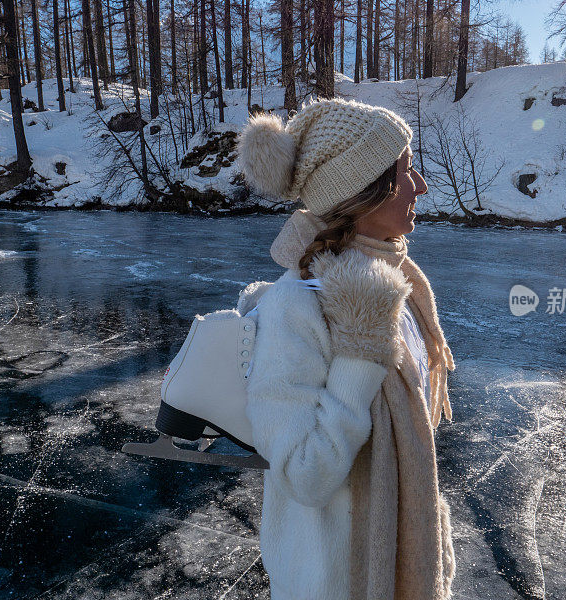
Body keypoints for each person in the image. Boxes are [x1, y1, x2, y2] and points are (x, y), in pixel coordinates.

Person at [235, 97, 457, 600]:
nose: (420, 185)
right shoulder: (297, 307)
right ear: (361, 193)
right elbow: (302, 474)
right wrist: (359, 355)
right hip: (332, 584)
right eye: (404, 172)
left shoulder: (399, 285)